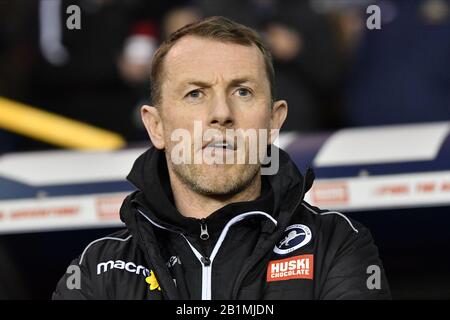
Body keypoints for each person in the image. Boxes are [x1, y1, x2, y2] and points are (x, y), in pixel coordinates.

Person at [53, 16, 390, 300]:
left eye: (242, 91)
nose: (221, 113)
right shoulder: (97, 268)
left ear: (274, 120)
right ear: (155, 126)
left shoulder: (335, 244)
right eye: (195, 93)